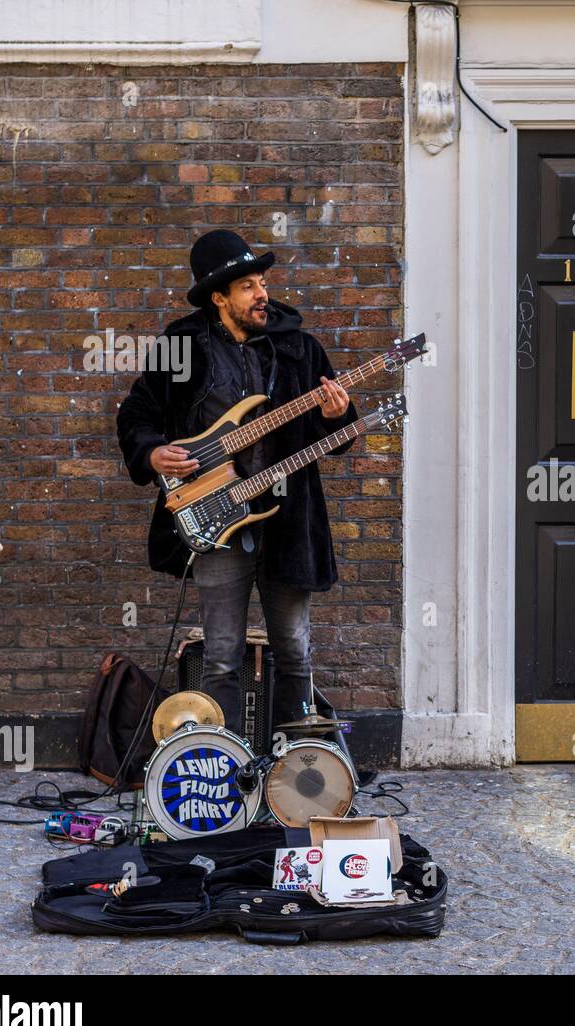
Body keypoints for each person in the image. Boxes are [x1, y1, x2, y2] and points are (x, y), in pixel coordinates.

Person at [117, 229, 358, 727]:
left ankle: (294, 773)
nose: (262, 293)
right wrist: (153, 453)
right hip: (215, 516)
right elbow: (137, 414)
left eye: (262, 281)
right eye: (247, 285)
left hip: (288, 519)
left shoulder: (299, 348)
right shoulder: (182, 345)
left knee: (294, 651)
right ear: (219, 296)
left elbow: (336, 435)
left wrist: (338, 415)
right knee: (221, 655)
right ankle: (222, 772)